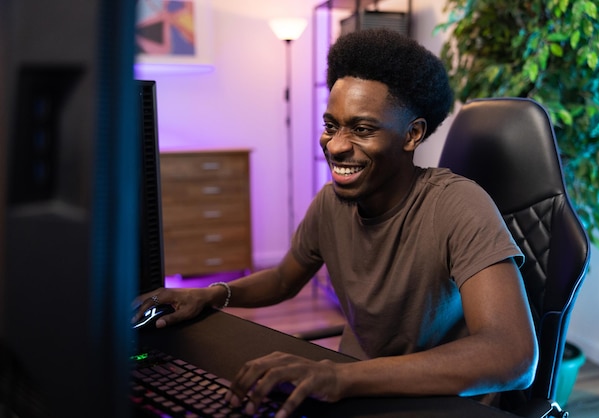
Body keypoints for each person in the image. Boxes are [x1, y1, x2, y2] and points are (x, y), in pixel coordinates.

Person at [133, 28, 538, 418]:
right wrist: (211, 294)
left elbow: (513, 355)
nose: (337, 145)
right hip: (357, 387)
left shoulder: (457, 205)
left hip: (437, 401)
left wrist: (341, 375)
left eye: (362, 129)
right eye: (331, 125)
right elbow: (282, 279)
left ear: (412, 135)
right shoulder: (331, 204)